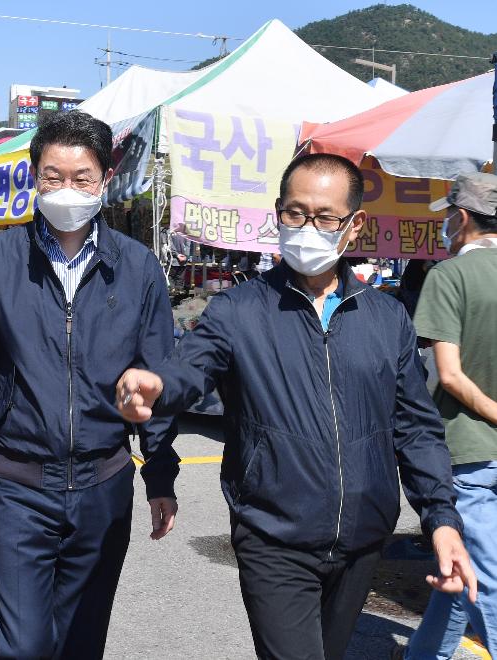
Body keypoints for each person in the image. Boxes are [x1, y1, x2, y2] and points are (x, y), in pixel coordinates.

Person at [116, 152, 477, 660]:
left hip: (363, 538)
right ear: (278, 212)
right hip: (273, 535)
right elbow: (191, 367)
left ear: (354, 226)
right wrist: (157, 385)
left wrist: (441, 518)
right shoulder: (239, 310)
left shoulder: (385, 316)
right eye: (295, 212)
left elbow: (415, 429)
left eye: (326, 217)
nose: (309, 226)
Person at [0, 110, 179, 659]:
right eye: (53, 177)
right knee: (22, 646)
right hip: (18, 483)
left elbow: (158, 374)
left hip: (105, 483)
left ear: (106, 179)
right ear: (32, 176)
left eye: (82, 179)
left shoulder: (138, 267)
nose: (67, 189)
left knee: (81, 641)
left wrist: (161, 475)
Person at [400, 172, 497, 660]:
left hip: (468, 449)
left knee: (488, 581)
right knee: (459, 571)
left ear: (461, 219)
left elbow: (450, 376)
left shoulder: (449, 276)